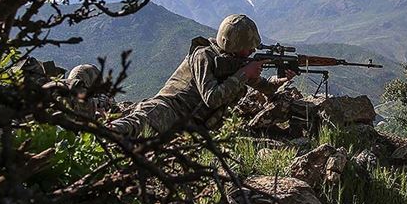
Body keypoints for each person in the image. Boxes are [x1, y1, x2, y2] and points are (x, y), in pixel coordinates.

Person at [109, 14, 295, 138]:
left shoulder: (235, 63)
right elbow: (212, 98)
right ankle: (93, 133)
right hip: (166, 110)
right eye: (248, 47)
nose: (252, 50)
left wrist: (282, 79)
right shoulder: (203, 55)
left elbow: (265, 87)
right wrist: (244, 74)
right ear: (233, 45)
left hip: (188, 127)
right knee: (127, 128)